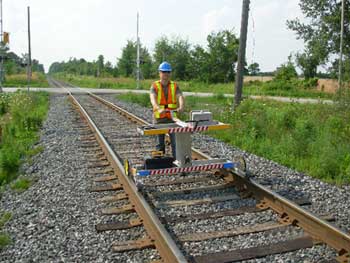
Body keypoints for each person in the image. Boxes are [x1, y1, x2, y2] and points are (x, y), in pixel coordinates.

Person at [150, 61, 185, 158]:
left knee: (175, 142)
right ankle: (160, 163)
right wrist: (157, 107)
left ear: (170, 73)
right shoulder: (154, 86)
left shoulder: (174, 85)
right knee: (159, 143)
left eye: (168, 72)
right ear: (159, 73)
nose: (166, 74)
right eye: (164, 72)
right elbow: (153, 99)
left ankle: (177, 162)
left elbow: (180, 96)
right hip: (159, 119)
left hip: (172, 118)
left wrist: (181, 106)